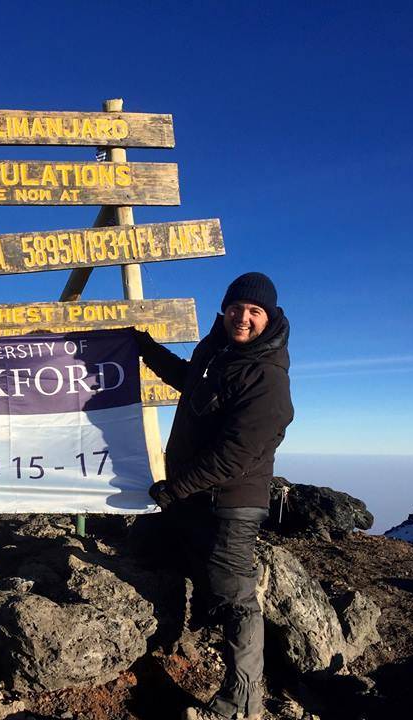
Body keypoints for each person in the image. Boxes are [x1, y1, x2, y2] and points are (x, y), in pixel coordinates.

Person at [135, 272, 294, 720]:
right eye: (236, 308)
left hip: (231, 503)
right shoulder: (220, 353)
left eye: (254, 311)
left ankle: (241, 704)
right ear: (224, 309)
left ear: (270, 317)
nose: (243, 317)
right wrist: (146, 348)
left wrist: (176, 488)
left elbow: (237, 454)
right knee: (178, 566)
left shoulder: (266, 375)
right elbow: (190, 382)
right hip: (196, 498)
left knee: (236, 599)